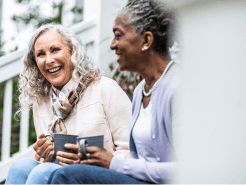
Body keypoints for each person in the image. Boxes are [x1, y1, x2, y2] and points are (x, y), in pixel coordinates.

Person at [48, 0, 178, 184]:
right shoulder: (142, 89)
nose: (112, 45)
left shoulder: (178, 88)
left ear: (146, 40)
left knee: (66, 177)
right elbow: (137, 157)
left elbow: (192, 167)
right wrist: (95, 158)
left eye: (118, 36)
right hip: (140, 180)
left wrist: (114, 163)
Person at [5, 24, 132, 185]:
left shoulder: (106, 89)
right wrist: (47, 155)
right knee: (20, 167)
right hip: (61, 178)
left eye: (55, 50)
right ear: (35, 62)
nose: (49, 60)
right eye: (41, 54)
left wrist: (88, 159)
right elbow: (50, 165)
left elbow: (133, 153)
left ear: (72, 52)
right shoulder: (41, 103)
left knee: (44, 171)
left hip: (102, 176)